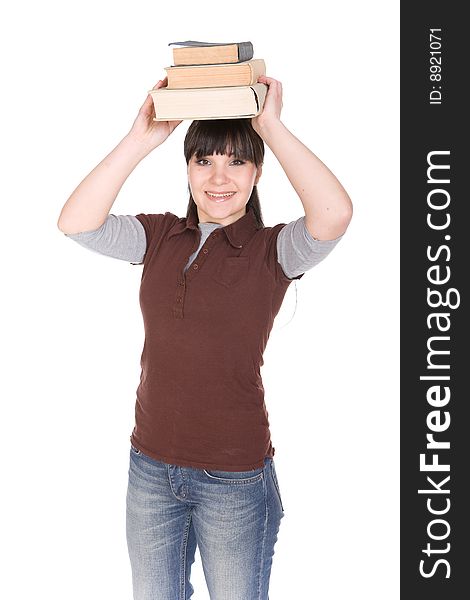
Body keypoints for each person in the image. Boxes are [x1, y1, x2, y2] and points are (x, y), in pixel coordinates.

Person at [57, 74, 353, 600]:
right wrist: (142, 140)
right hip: (149, 469)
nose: (220, 177)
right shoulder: (161, 236)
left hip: (234, 480)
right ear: (188, 169)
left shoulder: (273, 251)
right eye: (204, 161)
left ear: (257, 172)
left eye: (236, 161)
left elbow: (335, 214)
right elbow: (77, 222)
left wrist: (270, 127)